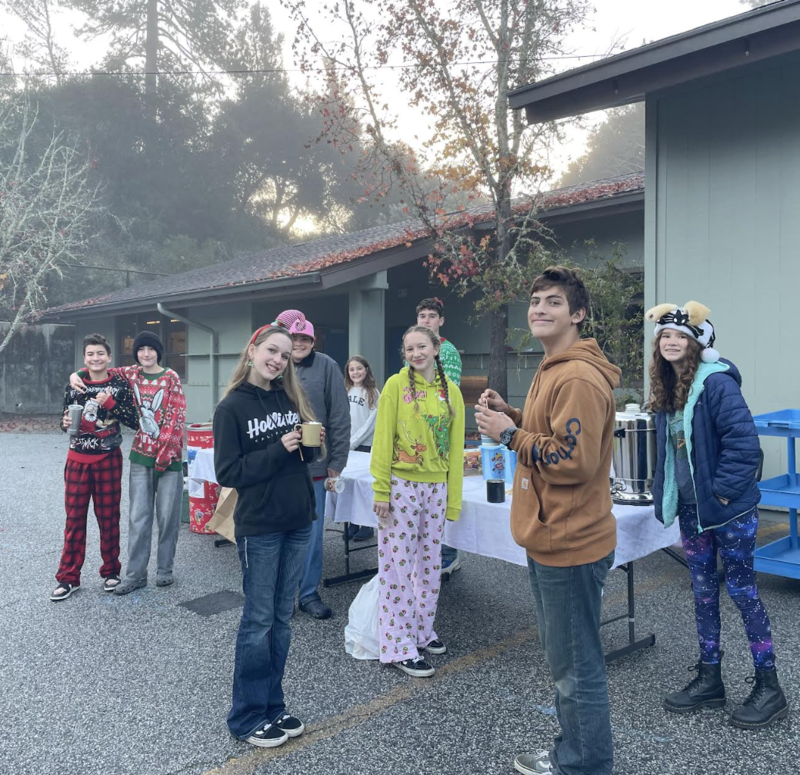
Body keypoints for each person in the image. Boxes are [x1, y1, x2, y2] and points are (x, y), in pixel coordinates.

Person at [475, 266, 620, 775]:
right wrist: (512, 416)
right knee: (567, 663)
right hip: (551, 536)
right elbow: (552, 431)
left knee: (575, 668)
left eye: (553, 302)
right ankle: (572, 753)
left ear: (577, 314)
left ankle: (583, 764)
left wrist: (509, 435)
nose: (539, 309)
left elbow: (573, 461)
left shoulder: (576, 375)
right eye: (535, 300)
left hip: (570, 542)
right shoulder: (553, 366)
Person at [646, 301, 788, 729]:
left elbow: (744, 446)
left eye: (680, 336)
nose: (671, 342)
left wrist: (722, 494)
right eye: (665, 336)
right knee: (703, 593)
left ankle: (770, 686)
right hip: (693, 512)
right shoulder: (667, 387)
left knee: (743, 593)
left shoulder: (717, 383)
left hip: (729, 511)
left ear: (697, 344)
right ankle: (710, 678)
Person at [214, 323, 321, 748]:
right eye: (271, 351)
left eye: (285, 356)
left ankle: (273, 705)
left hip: (297, 520)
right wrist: (279, 448)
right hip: (260, 526)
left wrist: (311, 445)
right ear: (252, 351)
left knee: (281, 619)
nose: (277, 360)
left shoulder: (289, 397)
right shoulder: (231, 408)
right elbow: (229, 472)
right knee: (258, 621)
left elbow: (302, 461)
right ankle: (246, 715)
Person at [371, 325, 465, 677]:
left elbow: (456, 448)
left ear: (436, 348)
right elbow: (383, 439)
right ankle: (397, 645)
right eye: (409, 349)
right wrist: (381, 491)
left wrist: (452, 501)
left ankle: (422, 631)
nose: (416, 354)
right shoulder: (395, 386)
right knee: (397, 567)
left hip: (436, 488)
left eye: (422, 346)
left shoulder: (451, 392)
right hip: (401, 486)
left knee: (429, 565)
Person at [71, 330, 186, 594]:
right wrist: (75, 374)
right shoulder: (131, 374)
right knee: (138, 517)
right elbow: (99, 368)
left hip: (169, 459)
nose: (146, 354)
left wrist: (164, 454)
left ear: (158, 352)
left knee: (167, 517)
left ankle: (165, 569)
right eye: (141, 349)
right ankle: (135, 575)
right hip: (140, 457)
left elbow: (176, 417)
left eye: (151, 349)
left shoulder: (170, 377)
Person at [51, 334, 139, 602]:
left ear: (109, 357)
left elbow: (134, 420)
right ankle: (68, 577)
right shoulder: (74, 385)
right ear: (84, 358)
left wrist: (110, 404)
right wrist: (65, 423)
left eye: (100, 353)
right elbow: (64, 420)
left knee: (109, 517)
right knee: (74, 520)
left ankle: (111, 571)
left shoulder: (119, 385)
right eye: (90, 354)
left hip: (107, 459)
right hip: (77, 459)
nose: (95, 358)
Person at [276, 309, 350, 620]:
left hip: (315, 467)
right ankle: (282, 596)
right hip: (277, 466)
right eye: (294, 338)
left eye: (304, 338)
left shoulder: (327, 366)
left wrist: (338, 460)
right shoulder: (275, 365)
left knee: (312, 535)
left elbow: (340, 416)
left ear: (313, 341)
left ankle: (307, 593)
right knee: (278, 533)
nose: (299, 343)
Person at [414, 297, 463, 579]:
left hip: (440, 433)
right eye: (422, 316)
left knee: (441, 497)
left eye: (432, 316)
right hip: (417, 434)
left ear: (441, 321)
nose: (426, 320)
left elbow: (447, 395)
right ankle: (428, 554)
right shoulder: (414, 349)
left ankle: (449, 554)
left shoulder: (447, 351)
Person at [344, 354, 380, 541]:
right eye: (352, 369)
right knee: (349, 487)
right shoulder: (345, 391)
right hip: (346, 445)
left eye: (359, 368)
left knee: (363, 488)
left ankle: (366, 527)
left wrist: (354, 441)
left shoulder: (373, 393)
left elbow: (371, 423)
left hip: (363, 445)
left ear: (366, 370)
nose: (355, 372)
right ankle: (352, 524)